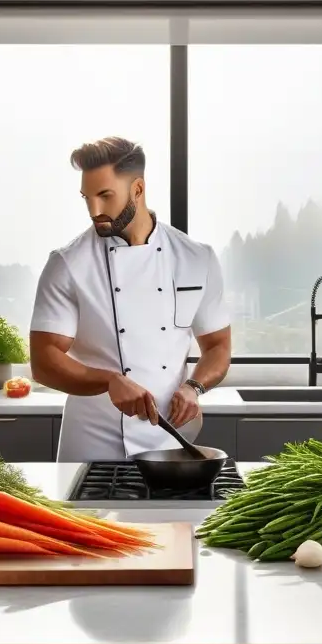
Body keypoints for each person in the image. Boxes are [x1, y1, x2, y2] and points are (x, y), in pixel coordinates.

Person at [29, 136, 232, 462]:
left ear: (137, 189)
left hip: (171, 442)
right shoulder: (68, 263)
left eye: (105, 196)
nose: (94, 210)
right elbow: (44, 361)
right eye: (87, 197)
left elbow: (218, 346)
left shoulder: (196, 258)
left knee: (169, 517)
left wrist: (194, 387)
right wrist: (110, 381)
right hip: (92, 445)